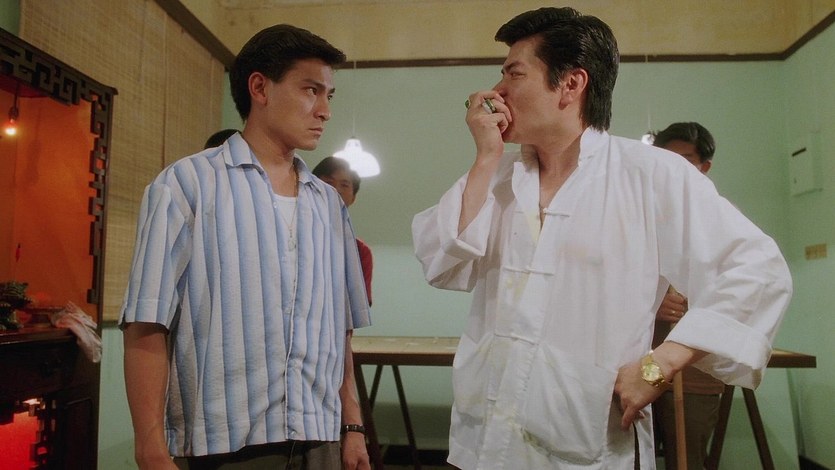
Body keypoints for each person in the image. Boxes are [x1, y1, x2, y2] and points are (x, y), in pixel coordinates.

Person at [411, 7, 791, 469]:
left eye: (514, 73)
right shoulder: (499, 176)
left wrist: (660, 364)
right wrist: (486, 156)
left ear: (571, 84)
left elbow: (756, 269)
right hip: (482, 442)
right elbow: (443, 262)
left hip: (585, 443)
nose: (498, 92)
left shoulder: (649, 173)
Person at [120, 24, 371, 470]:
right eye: (311, 90)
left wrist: (353, 426)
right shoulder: (187, 184)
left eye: (329, 94)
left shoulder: (329, 205)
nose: (325, 110)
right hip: (226, 443)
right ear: (260, 88)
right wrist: (150, 446)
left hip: (320, 438)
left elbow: (340, 331)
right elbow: (146, 320)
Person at [650, 122, 724, 470]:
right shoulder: (641, 213)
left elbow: (733, 294)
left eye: (686, 159)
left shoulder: (720, 219)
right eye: (667, 158)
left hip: (693, 373)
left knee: (686, 462)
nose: (675, 168)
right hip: (640, 368)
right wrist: (652, 303)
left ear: (704, 167)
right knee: (632, 458)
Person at [312, 156, 373, 305]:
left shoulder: (360, 251)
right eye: (328, 183)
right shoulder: (292, 234)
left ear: (353, 197)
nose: (335, 190)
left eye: (344, 185)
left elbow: (360, 304)